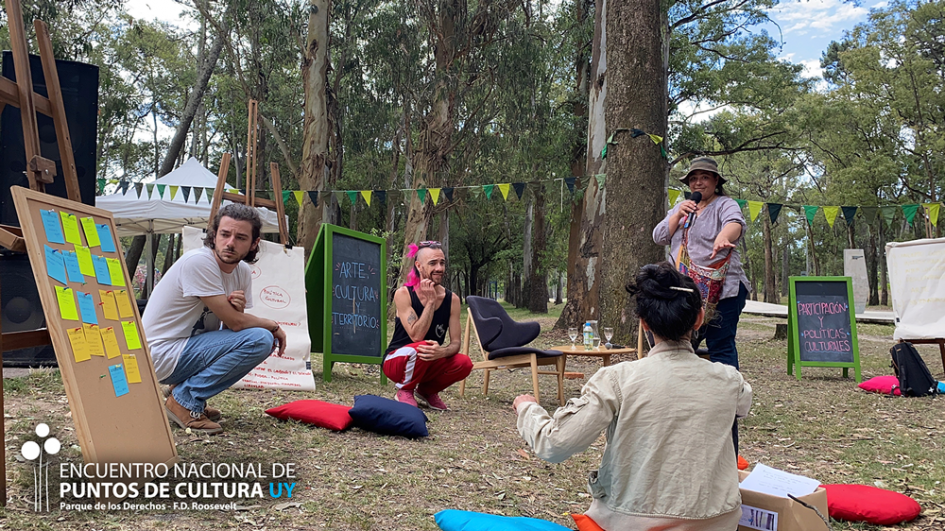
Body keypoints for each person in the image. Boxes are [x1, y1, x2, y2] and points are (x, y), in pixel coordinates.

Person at [513, 263, 752, 531]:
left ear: (644, 322)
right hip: (719, 522)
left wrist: (528, 409)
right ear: (698, 319)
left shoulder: (617, 380)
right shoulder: (729, 380)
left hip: (630, 521)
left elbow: (554, 444)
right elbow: (743, 403)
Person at [142, 204, 286, 435]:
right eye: (225, 234)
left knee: (258, 338)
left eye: (240, 237)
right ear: (214, 235)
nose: (230, 243)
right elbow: (239, 325)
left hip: (184, 352)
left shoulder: (242, 272)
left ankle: (181, 391)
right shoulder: (199, 262)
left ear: (253, 244)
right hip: (159, 354)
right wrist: (272, 325)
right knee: (261, 338)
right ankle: (184, 401)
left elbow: (231, 330)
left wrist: (234, 313)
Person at [653, 156, 750, 370]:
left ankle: (728, 397)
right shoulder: (682, 207)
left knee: (720, 343)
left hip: (723, 291)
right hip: (686, 290)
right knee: (678, 344)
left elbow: (735, 223)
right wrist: (677, 214)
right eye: (693, 178)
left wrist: (723, 237)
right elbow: (659, 237)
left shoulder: (725, 204)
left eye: (705, 177)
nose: (698, 183)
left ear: (716, 181)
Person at [383, 241, 472, 410]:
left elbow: (455, 343)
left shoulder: (452, 300)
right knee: (423, 345)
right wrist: (430, 301)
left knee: (464, 363)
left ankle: (426, 391)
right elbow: (416, 336)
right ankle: (404, 389)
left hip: (427, 361)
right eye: (433, 263)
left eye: (442, 263)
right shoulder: (403, 294)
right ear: (419, 266)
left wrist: (442, 352)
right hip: (397, 362)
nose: (439, 268)